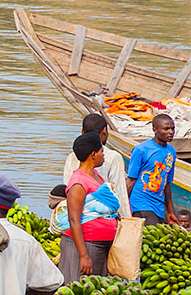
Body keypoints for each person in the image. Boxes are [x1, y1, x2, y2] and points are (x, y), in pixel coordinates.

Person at [57, 132, 119, 282]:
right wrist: (84, 255)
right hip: (86, 244)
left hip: (101, 244)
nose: (103, 156)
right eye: (101, 152)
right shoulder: (78, 182)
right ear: (93, 154)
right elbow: (74, 220)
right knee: (79, 289)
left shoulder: (96, 175)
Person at [59, 113, 133, 219]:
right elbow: (119, 193)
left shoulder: (72, 157)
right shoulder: (113, 157)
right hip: (102, 218)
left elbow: (67, 189)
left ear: (82, 132)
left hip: (78, 213)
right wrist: (126, 219)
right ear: (104, 131)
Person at [126, 113, 178, 226]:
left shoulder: (171, 152)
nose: (171, 132)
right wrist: (123, 206)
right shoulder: (141, 150)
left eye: (172, 128)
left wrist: (170, 212)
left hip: (158, 206)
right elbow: (131, 180)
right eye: (166, 129)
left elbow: (167, 183)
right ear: (155, 129)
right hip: (141, 204)